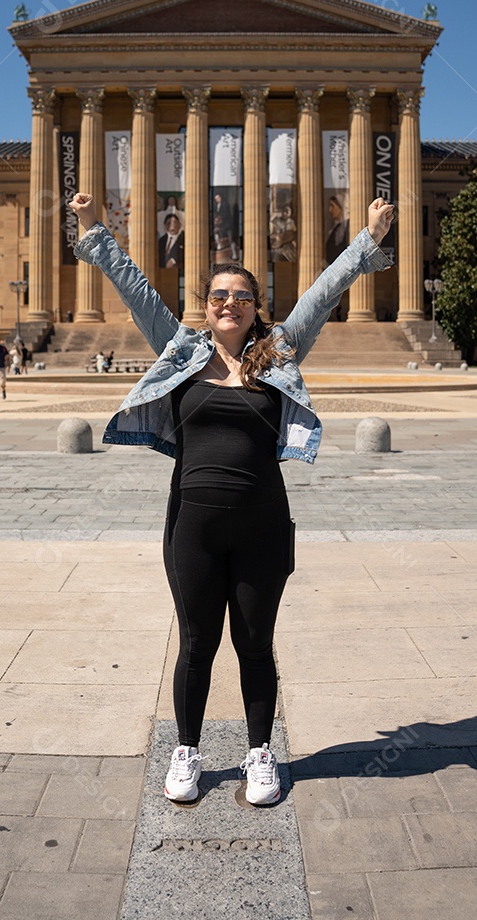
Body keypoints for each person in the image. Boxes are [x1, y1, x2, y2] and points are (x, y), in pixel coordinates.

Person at [69, 190, 394, 806]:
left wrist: (369, 238)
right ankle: (186, 751)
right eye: (219, 296)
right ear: (206, 306)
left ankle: (259, 754)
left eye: (242, 297)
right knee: (196, 642)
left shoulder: (279, 354)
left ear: (255, 308)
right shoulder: (181, 352)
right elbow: (137, 287)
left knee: (254, 642)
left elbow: (321, 294)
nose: (230, 305)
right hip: (191, 525)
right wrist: (93, 229)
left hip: (262, 527)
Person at [325, 196, 348, 266]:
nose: (330, 210)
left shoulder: (346, 227)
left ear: (340, 207)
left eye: (332, 206)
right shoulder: (335, 228)